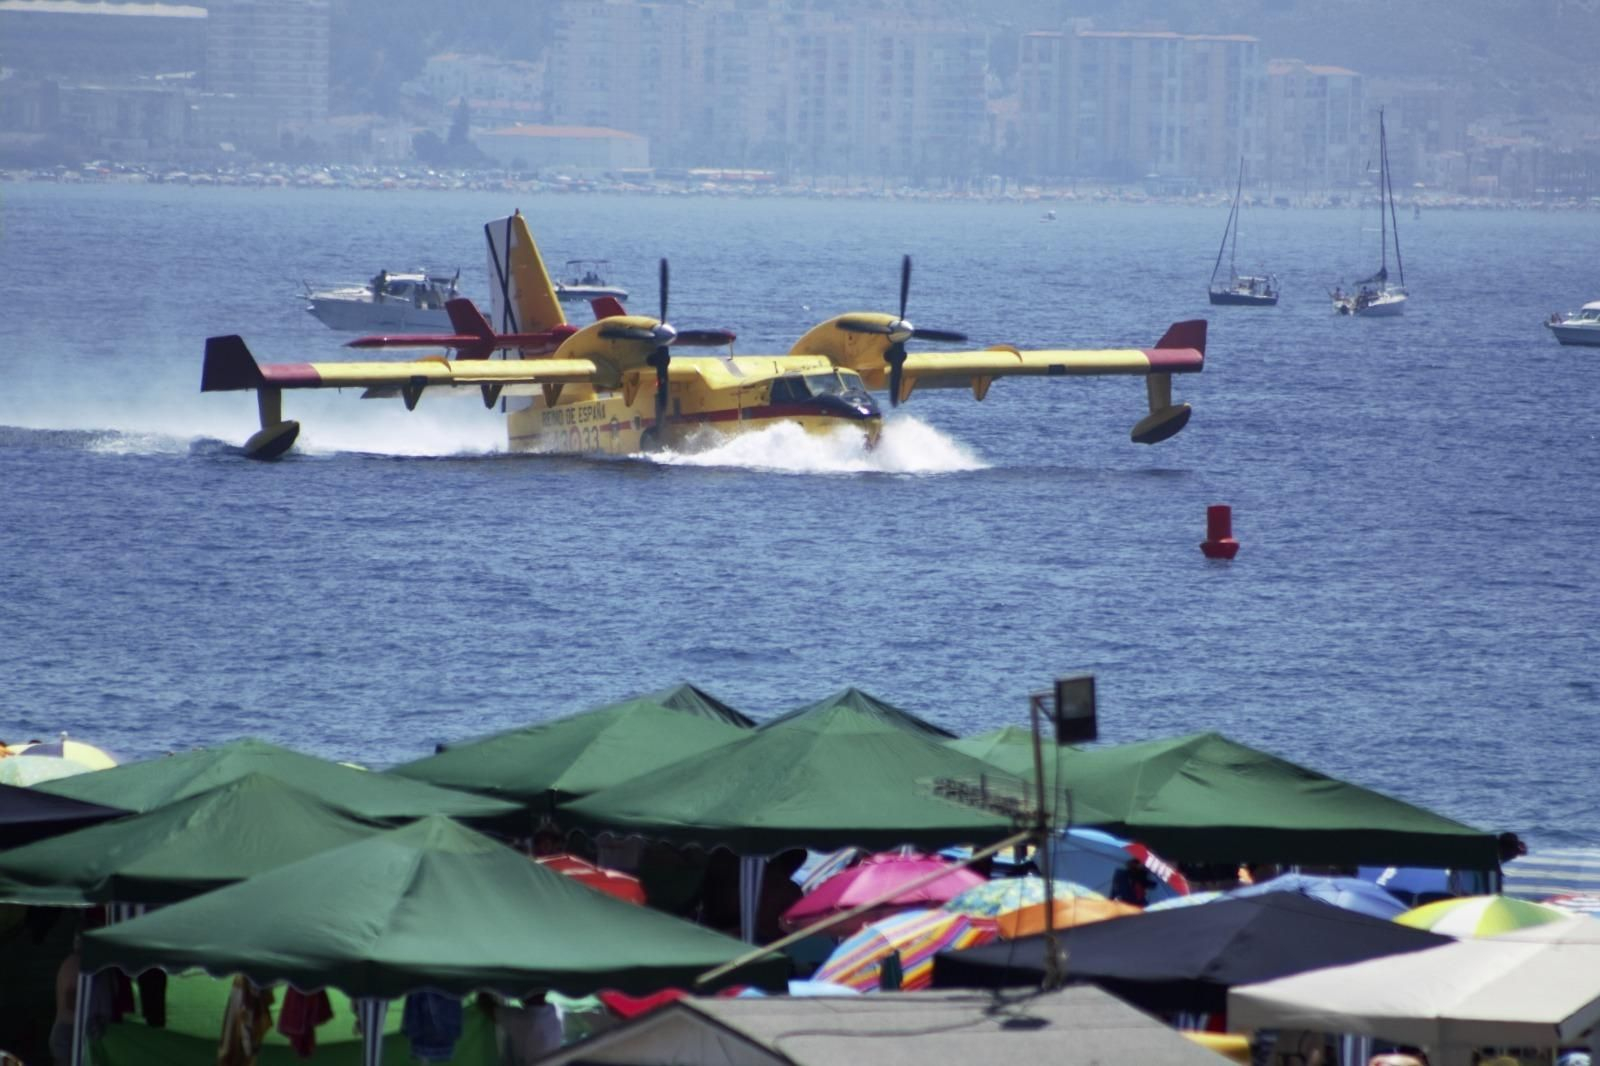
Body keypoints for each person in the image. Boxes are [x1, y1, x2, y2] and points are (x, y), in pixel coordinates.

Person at [51, 938, 79, 1066]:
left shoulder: (72, 962)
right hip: (66, 1035)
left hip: (66, 1034)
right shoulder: (75, 964)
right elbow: (70, 1001)